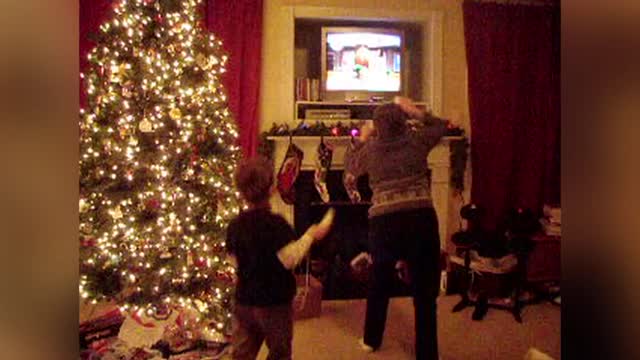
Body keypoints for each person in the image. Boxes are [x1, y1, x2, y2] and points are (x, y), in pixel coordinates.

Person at [344, 97, 454, 360]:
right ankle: (427, 354)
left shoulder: (370, 150)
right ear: (404, 122)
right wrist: (415, 111)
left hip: (385, 224)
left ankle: (371, 340)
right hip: (421, 220)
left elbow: (349, 165)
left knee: (379, 282)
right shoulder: (417, 141)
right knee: (424, 292)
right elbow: (441, 126)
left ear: (378, 127)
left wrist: (361, 135)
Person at [226, 156, 335, 360]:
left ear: (240, 191)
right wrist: (311, 235)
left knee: (242, 352)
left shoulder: (235, 226)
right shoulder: (277, 225)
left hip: (244, 302)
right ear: (272, 189)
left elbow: (233, 261)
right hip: (274, 303)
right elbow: (290, 259)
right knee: (280, 351)